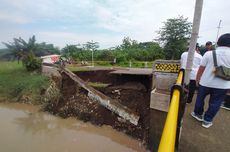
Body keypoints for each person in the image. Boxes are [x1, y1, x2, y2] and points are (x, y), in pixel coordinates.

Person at [191, 33, 230, 128]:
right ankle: (207, 120)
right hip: (223, 85)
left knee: (200, 99)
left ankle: (198, 114)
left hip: (205, 82)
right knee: (215, 103)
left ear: (218, 43)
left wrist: (197, 79)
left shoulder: (209, 54)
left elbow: (201, 68)